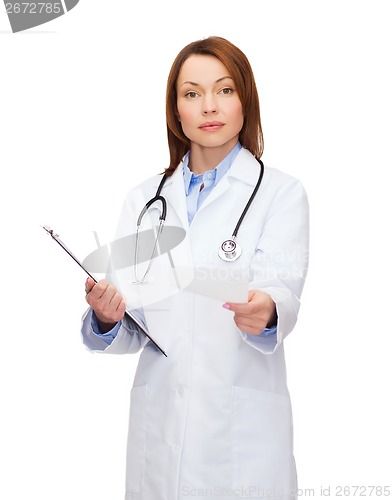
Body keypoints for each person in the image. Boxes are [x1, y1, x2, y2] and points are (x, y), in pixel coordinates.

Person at [81, 36, 309, 500]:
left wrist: (266, 312)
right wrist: (107, 318)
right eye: (192, 93)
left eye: (224, 90)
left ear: (246, 100)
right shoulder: (145, 201)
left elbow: (280, 289)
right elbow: (136, 325)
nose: (209, 105)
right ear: (176, 110)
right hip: (159, 430)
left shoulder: (281, 194)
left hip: (240, 435)